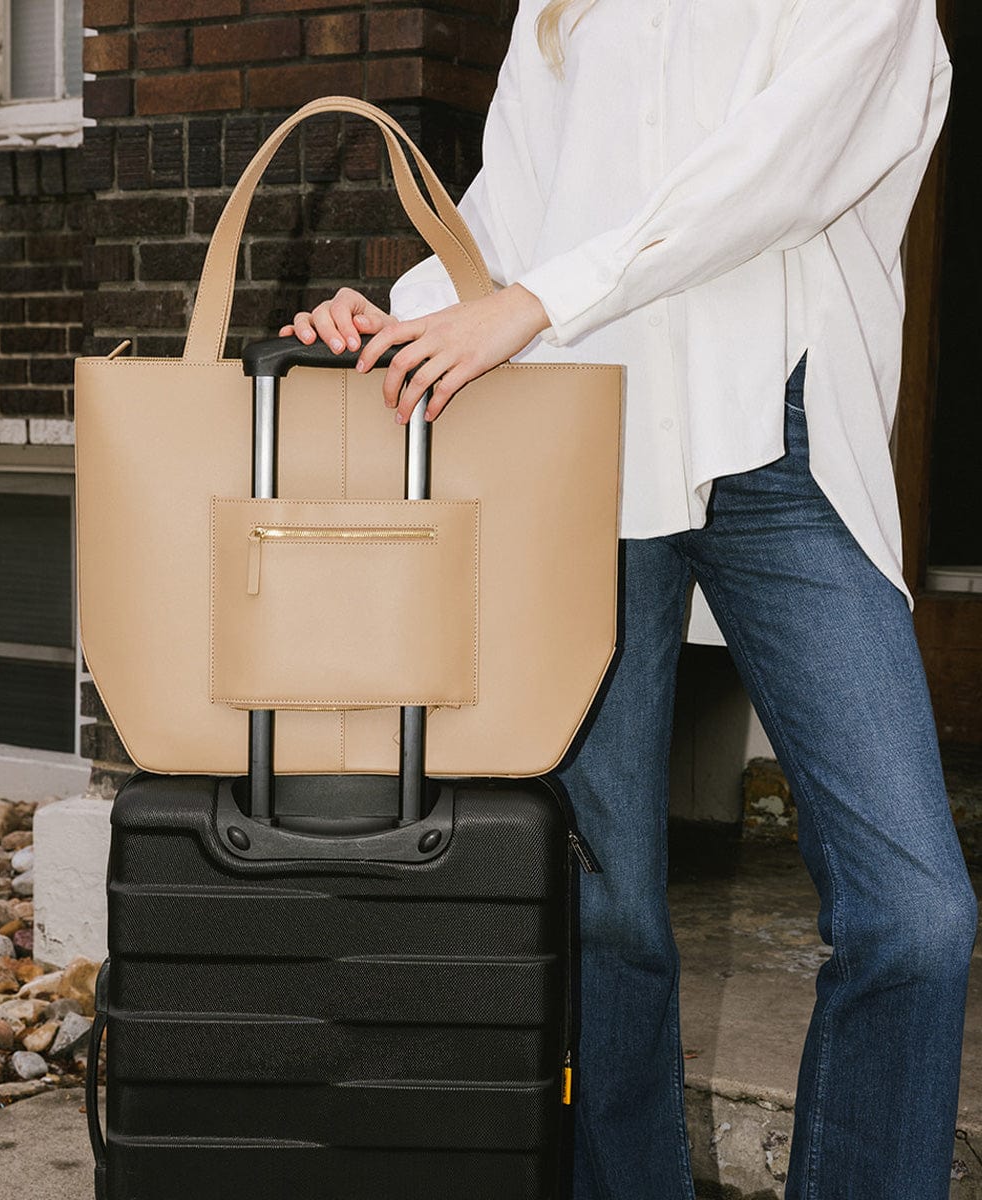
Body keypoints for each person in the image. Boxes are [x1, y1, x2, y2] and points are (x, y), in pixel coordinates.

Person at [281, 1, 979, 1196]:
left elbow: (778, 168)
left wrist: (537, 302)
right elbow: (515, 210)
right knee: (601, 911)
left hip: (785, 449)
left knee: (916, 914)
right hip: (582, 444)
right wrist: (400, 319)